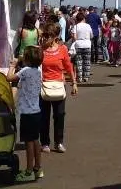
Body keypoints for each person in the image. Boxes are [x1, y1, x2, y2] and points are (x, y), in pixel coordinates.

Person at [7, 46, 44, 182]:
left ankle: (29, 171)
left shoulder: (25, 70)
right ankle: (37, 168)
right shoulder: (38, 70)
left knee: (29, 142)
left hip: (27, 113)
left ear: (27, 59)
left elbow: (9, 78)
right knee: (36, 141)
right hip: (36, 111)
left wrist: (12, 65)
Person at [39, 22, 77, 153]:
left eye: (48, 36)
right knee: (44, 116)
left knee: (59, 115)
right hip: (43, 85)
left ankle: (59, 142)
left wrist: (74, 83)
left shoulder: (62, 50)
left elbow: (68, 67)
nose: (45, 38)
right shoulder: (40, 50)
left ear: (55, 37)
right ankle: (44, 142)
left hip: (59, 85)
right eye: (45, 35)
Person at [73, 12, 93, 82]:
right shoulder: (88, 26)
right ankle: (86, 77)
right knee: (87, 61)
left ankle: (80, 77)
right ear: (84, 18)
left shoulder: (76, 26)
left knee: (79, 62)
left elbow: (74, 37)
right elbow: (91, 36)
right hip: (87, 44)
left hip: (78, 44)